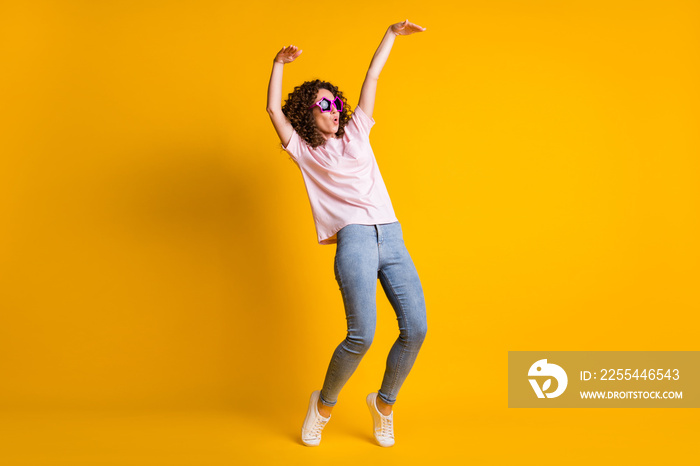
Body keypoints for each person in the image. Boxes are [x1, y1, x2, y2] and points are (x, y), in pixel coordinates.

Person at [266, 20, 428, 448]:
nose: (335, 108)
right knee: (363, 335)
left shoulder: (358, 131)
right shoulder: (303, 151)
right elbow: (272, 112)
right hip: (354, 239)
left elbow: (372, 76)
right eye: (324, 104)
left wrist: (391, 34)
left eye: (335, 101)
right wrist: (278, 65)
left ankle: (384, 403)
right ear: (307, 114)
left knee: (416, 327)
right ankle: (324, 404)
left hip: (391, 234)